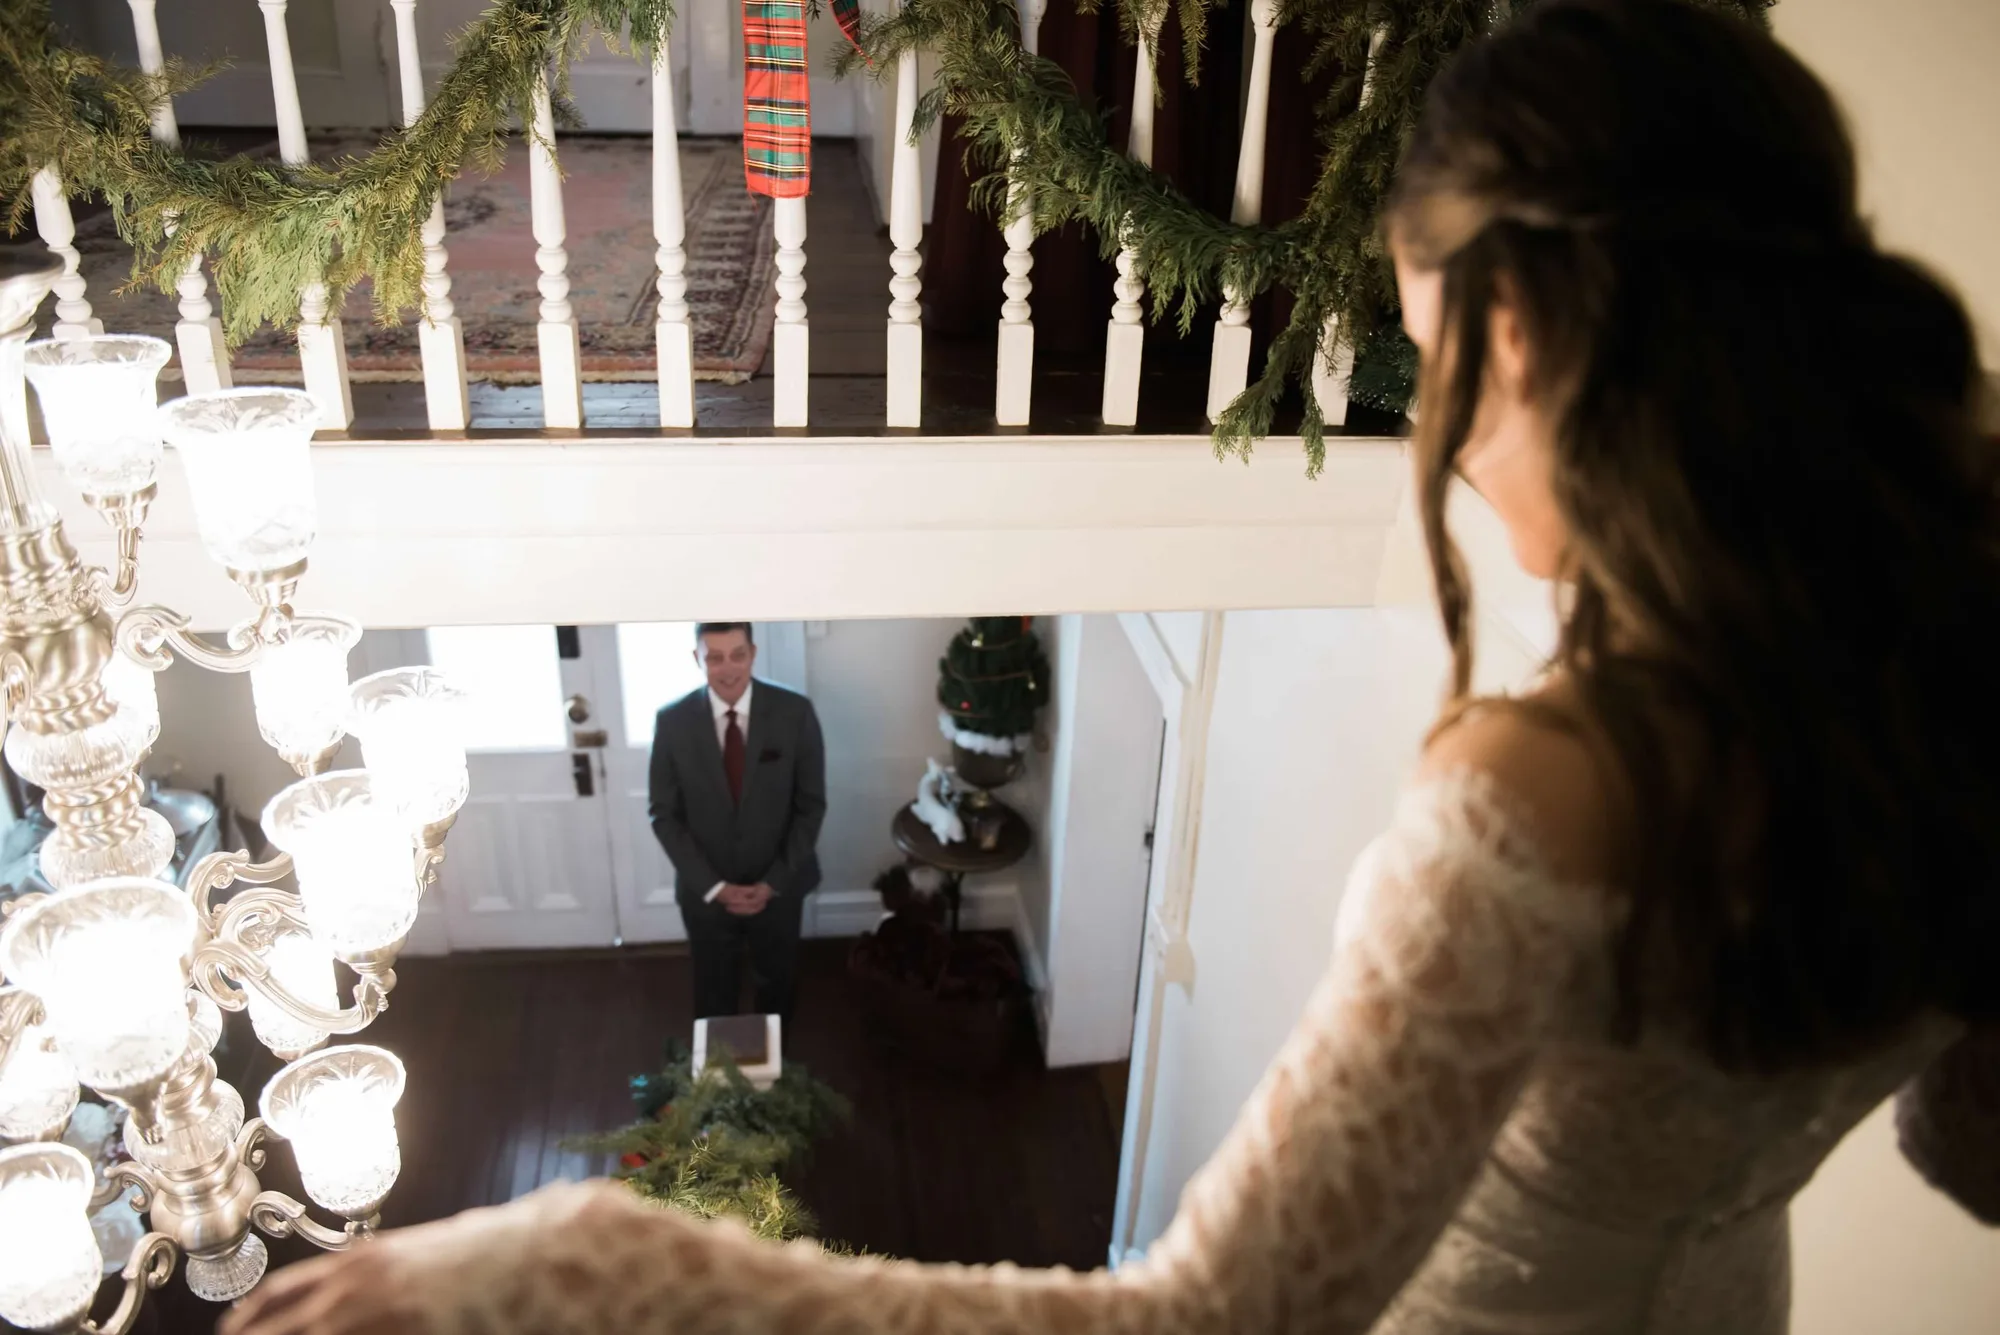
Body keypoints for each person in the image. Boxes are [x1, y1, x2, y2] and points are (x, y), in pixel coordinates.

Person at [224, 4, 2000, 1332]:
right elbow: (1971, 1146)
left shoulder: (1542, 789)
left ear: (1520, 334)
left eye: (1440, 358)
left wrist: (590, 1257)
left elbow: (1201, 1320)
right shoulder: (1943, 646)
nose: (1448, 445)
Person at [646, 622, 826, 1025]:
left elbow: (810, 806)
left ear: (753, 653)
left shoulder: (795, 713)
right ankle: (716, 1079)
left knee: (777, 985)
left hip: (779, 885)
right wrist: (715, 886)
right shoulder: (672, 722)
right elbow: (664, 813)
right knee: (713, 988)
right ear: (697, 659)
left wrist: (772, 882)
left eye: (738, 655)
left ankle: (774, 1078)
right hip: (706, 890)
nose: (728, 669)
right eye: (715, 658)